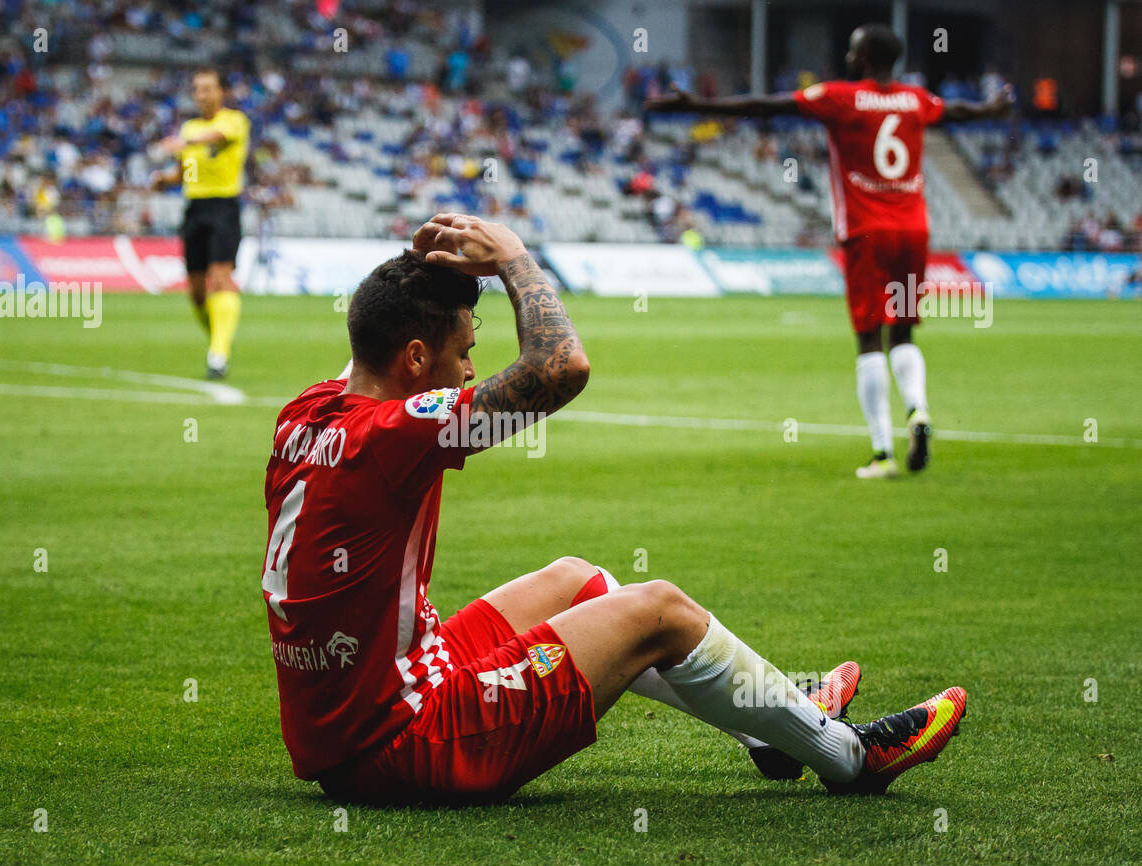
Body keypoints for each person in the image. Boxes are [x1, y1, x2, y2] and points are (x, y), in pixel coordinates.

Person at [261, 212, 967, 803]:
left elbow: (381, 322)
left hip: (349, 717)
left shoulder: (309, 410)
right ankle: (849, 757)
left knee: (577, 577)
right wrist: (512, 257)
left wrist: (420, 276)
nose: (472, 369)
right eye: (464, 351)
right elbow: (560, 369)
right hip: (402, 740)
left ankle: (767, 725)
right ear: (415, 359)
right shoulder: (396, 433)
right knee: (659, 610)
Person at [645, 24, 1013, 478]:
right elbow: (955, 112)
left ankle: (882, 453)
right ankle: (917, 410)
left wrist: (698, 105)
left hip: (866, 231)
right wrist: (991, 107)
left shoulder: (842, 97)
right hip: (913, 229)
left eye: (853, 48)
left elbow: (767, 105)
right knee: (903, 332)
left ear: (863, 59)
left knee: (868, 337)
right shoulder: (915, 99)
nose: (848, 53)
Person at [150, 68, 250, 380]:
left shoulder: (233, 120)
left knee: (220, 277)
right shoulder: (189, 127)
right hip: (194, 209)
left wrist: (184, 141)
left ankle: (218, 354)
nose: (202, 95)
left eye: (208, 88)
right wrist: (163, 180)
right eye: (197, 89)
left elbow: (218, 137)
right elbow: (184, 173)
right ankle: (219, 343)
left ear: (222, 92)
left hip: (223, 207)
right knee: (196, 292)